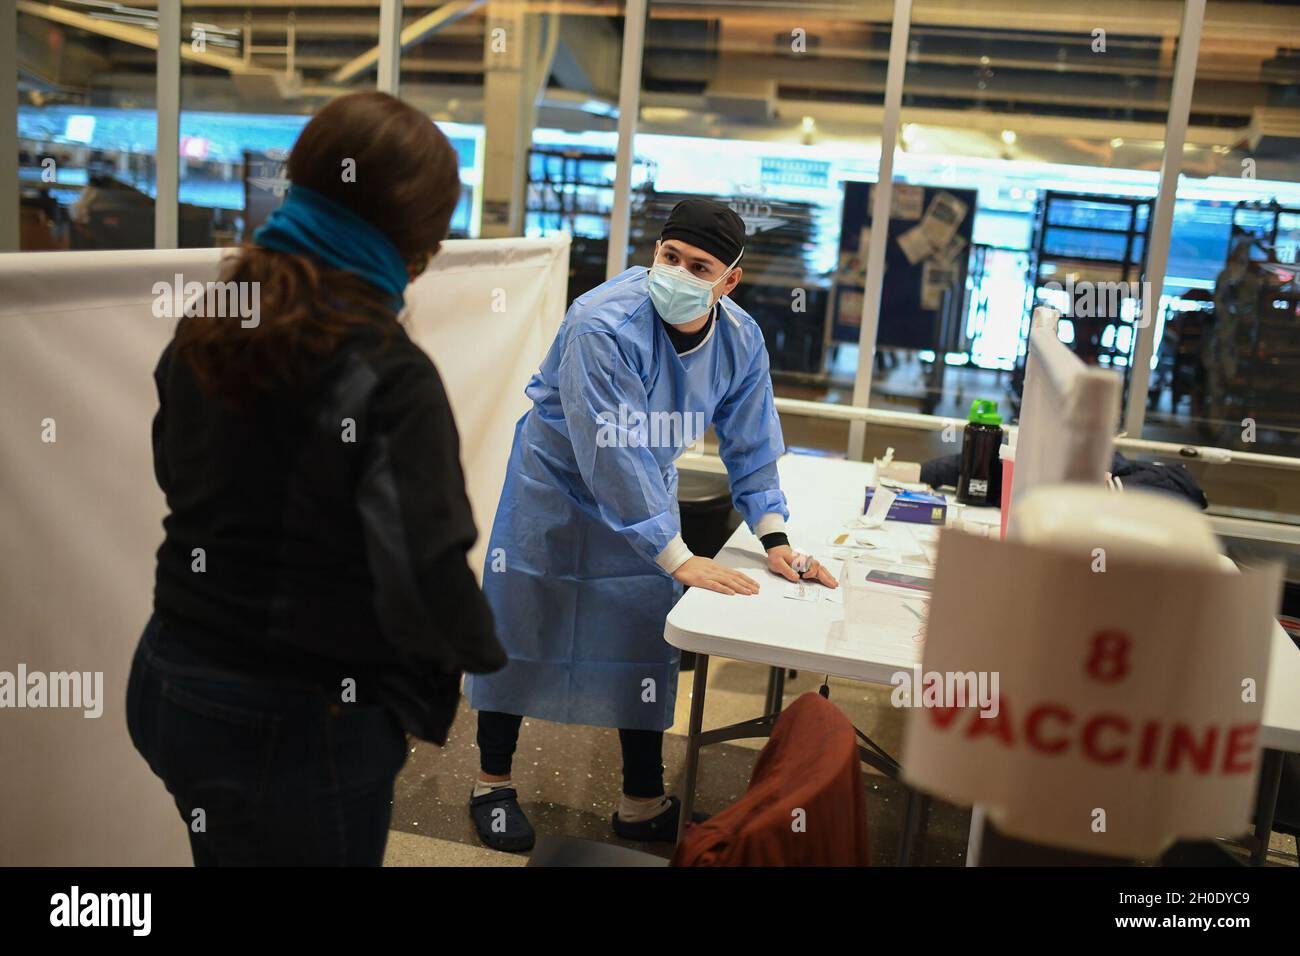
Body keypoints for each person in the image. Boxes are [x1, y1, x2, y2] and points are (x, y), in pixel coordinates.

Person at [126, 91, 506, 866]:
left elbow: (178, 474)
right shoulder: (390, 373)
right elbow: (422, 569)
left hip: (169, 677)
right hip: (299, 715)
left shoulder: (211, 317)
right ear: (418, 238)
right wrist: (487, 654)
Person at [465, 198, 837, 851]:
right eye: (670, 257)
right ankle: (490, 785)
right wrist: (674, 552)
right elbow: (609, 448)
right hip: (555, 482)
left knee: (643, 635)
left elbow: (751, 443)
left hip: (643, 491)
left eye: (699, 266)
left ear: (729, 281)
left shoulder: (740, 338)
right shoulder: (600, 324)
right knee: (523, 621)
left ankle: (641, 802)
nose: (677, 272)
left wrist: (774, 535)